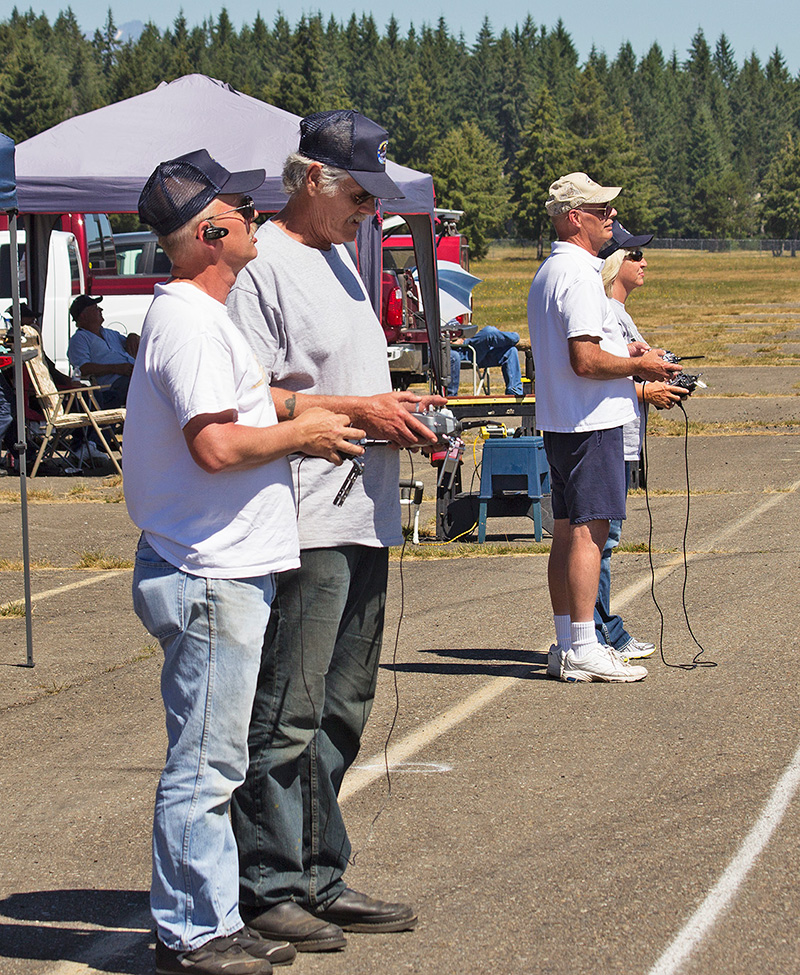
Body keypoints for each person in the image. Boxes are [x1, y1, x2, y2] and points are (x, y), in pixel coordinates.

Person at [125, 148, 365, 975]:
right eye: (243, 212)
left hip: (221, 570)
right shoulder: (189, 320)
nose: (255, 221)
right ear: (211, 230)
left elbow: (256, 403)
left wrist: (340, 408)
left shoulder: (204, 315)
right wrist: (305, 434)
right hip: (207, 573)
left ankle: (215, 915)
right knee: (206, 762)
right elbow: (218, 443)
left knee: (218, 757)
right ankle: (192, 931)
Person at [227, 109, 443, 952]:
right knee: (287, 709)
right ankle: (268, 883)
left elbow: (343, 381)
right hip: (302, 516)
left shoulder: (342, 260)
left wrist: (402, 411)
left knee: (343, 704)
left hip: (362, 509)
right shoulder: (261, 266)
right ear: (311, 178)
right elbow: (252, 399)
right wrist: (361, 408)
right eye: (358, 192)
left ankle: (317, 873)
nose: (369, 208)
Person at [527, 172, 681, 683]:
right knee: (590, 533)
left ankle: (566, 642)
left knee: (568, 532)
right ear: (576, 218)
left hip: (564, 419)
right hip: (591, 420)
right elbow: (585, 360)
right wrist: (642, 366)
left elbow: (585, 353)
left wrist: (626, 351)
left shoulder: (551, 269)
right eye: (602, 210)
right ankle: (583, 647)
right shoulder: (579, 274)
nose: (612, 217)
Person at [594, 222, 689, 657]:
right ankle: (600, 634)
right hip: (609, 434)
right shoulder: (607, 313)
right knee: (601, 539)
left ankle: (603, 630)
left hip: (624, 437)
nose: (643, 261)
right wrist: (646, 389)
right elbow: (595, 376)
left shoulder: (620, 314)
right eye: (634, 255)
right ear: (614, 264)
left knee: (606, 537)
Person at [67, 294, 138, 408]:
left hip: (133, 375)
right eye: (95, 308)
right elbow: (82, 368)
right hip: (113, 387)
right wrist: (116, 368)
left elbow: (132, 342)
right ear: (84, 316)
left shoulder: (110, 333)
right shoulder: (79, 339)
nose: (101, 309)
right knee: (146, 386)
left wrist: (133, 337)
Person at [446, 325, 523, 396]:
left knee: (510, 351)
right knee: (489, 332)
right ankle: (515, 338)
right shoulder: (437, 316)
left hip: (472, 348)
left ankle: (515, 393)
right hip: (459, 351)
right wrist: (450, 341)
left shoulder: (453, 316)